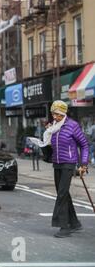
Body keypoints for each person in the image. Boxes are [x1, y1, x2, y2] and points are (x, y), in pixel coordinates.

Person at [47, 101, 89, 238]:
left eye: (57, 114)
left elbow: (84, 145)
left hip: (69, 163)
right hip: (57, 162)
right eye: (53, 113)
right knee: (63, 193)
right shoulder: (53, 127)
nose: (55, 117)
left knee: (62, 194)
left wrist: (83, 164)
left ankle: (64, 226)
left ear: (63, 113)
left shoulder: (72, 125)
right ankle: (75, 223)